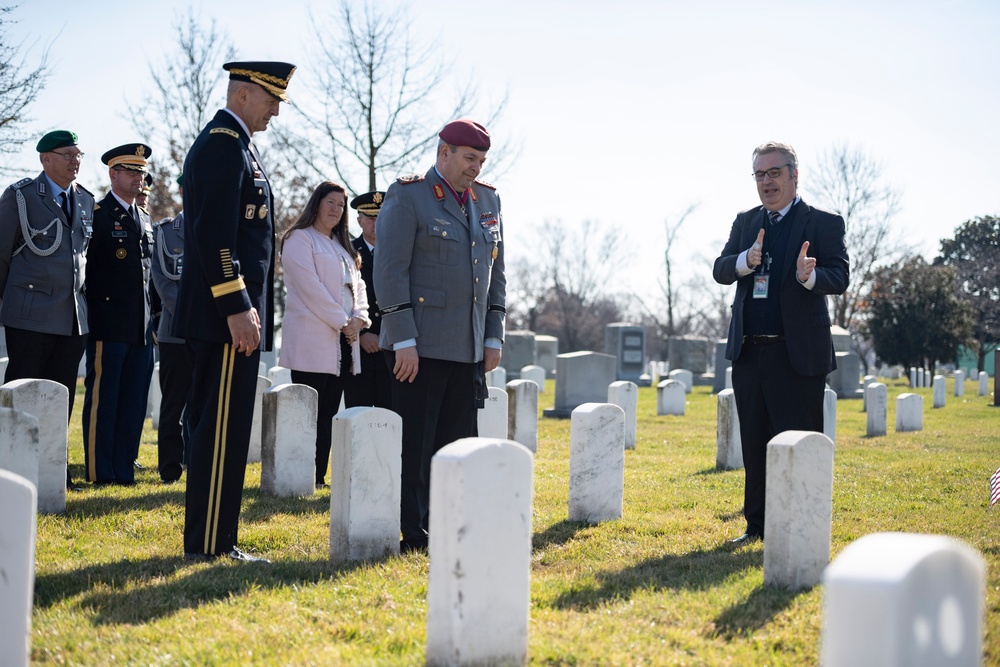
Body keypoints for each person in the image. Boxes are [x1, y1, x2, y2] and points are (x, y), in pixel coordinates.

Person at [175, 60, 295, 563]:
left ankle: (219, 538)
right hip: (224, 319)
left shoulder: (238, 146)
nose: (275, 110)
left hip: (227, 316)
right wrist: (237, 305)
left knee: (223, 428)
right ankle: (209, 544)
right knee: (219, 431)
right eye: (271, 99)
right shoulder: (224, 145)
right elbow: (213, 235)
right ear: (244, 94)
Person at [374, 119, 506, 552]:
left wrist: (493, 335)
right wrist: (403, 339)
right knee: (417, 444)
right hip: (421, 347)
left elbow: (496, 273)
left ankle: (449, 524)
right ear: (444, 152)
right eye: (470, 158)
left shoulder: (488, 199)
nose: (475, 167)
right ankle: (414, 532)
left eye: (481, 161)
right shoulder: (409, 196)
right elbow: (391, 270)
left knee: (457, 444)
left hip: (467, 347)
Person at [713, 141, 849, 544]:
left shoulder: (824, 223)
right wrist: (745, 262)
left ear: (794, 174)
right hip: (750, 352)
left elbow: (839, 277)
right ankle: (756, 527)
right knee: (755, 446)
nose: (767, 181)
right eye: (760, 174)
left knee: (798, 443)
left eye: (775, 172)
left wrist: (810, 275)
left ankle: (802, 525)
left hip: (798, 355)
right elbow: (721, 270)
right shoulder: (745, 221)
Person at [0, 130, 94, 490]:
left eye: (78, 154)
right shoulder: (21, 197)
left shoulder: (85, 200)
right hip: (29, 315)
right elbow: (1, 256)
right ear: (46, 160)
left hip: (72, 317)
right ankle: (10, 465)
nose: (75, 161)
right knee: (23, 391)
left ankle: (55, 470)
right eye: (67, 154)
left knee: (60, 396)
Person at [279, 181, 370, 487]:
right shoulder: (299, 239)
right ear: (316, 203)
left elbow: (359, 288)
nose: (336, 210)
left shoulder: (342, 246)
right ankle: (297, 476)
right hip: (312, 342)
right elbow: (310, 288)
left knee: (330, 412)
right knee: (308, 415)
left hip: (345, 342)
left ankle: (317, 476)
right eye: (331, 202)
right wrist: (343, 321)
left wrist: (360, 319)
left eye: (341, 206)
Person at [82, 143, 155, 486]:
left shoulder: (143, 218)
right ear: (113, 174)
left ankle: (124, 469)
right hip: (108, 325)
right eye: (131, 171)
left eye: (141, 171)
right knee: (104, 402)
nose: (138, 178)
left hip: (141, 329)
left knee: (132, 405)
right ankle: (101, 470)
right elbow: (89, 274)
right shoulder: (97, 214)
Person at [150, 173, 191, 483]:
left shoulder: (223, 230)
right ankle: (169, 467)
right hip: (177, 332)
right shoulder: (165, 233)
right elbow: (164, 284)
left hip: (212, 334)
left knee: (205, 404)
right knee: (173, 404)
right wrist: (197, 318)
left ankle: (198, 461)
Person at [343, 190, 392, 411]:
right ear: (359, 220)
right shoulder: (346, 252)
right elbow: (339, 298)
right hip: (356, 349)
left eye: (382, 218)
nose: (376, 224)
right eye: (371, 218)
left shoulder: (401, 252)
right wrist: (361, 334)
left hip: (392, 350)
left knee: (390, 419)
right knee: (357, 417)